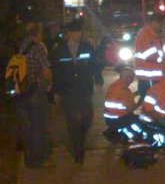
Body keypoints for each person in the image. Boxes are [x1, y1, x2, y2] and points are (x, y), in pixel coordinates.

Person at [51, 21, 98, 163]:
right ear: (69, 34)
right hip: (68, 90)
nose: (78, 34)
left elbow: (94, 65)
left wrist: (99, 79)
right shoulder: (60, 49)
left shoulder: (87, 47)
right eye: (75, 32)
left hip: (84, 88)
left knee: (87, 117)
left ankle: (80, 139)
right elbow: (56, 72)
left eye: (80, 31)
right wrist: (56, 91)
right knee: (72, 121)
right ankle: (77, 150)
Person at [15, 24, 54, 168]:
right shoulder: (37, 48)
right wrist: (49, 85)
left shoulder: (20, 46)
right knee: (38, 126)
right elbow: (46, 71)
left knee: (26, 127)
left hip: (20, 91)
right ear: (37, 33)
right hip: (35, 91)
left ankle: (29, 159)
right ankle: (39, 159)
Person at [103, 67, 143, 142]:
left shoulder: (113, 85)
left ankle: (113, 131)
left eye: (132, 77)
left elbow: (120, 98)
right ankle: (126, 137)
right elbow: (130, 108)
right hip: (119, 119)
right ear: (124, 77)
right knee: (140, 122)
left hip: (108, 119)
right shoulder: (124, 90)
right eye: (129, 77)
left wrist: (135, 94)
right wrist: (139, 103)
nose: (130, 80)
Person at [134, 14, 165, 101]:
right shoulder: (146, 35)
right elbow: (149, 55)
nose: (162, 27)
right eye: (161, 24)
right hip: (148, 77)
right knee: (149, 103)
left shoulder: (152, 35)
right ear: (153, 23)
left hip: (151, 77)